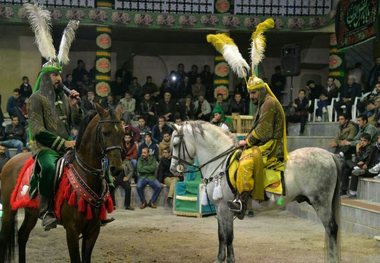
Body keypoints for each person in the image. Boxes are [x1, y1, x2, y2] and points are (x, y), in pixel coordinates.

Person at [207, 18, 287, 220]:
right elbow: (257, 127)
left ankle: (242, 202)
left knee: (246, 163)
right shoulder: (262, 103)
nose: (250, 97)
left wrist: (247, 141)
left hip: (271, 145)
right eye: (249, 94)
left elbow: (264, 132)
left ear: (260, 91)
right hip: (263, 141)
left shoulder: (269, 103)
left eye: (253, 94)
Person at [24, 10, 82, 230]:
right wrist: (63, 143)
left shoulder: (64, 98)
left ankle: (94, 206)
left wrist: (77, 107)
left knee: (93, 163)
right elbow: (38, 131)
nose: (60, 78)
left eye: (59, 74)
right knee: (49, 167)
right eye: (55, 75)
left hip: (68, 144)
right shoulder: (35, 99)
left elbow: (76, 122)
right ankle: (46, 210)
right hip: (45, 148)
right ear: (46, 78)